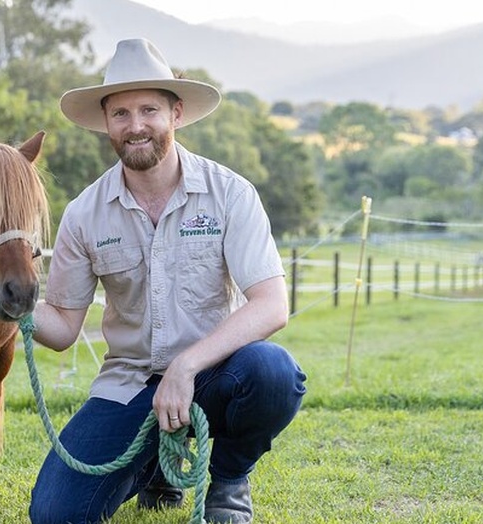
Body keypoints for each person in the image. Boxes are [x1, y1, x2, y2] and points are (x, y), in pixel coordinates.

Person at [28, 38, 306, 524]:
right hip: (129, 384)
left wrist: (185, 367)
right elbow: (62, 328)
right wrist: (7, 297)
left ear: (176, 114)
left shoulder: (230, 194)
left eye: (149, 110)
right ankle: (153, 464)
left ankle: (228, 479)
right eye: (121, 114)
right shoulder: (83, 214)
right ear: (106, 123)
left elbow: (271, 305)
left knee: (273, 374)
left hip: (214, 374)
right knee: (56, 514)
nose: (135, 126)